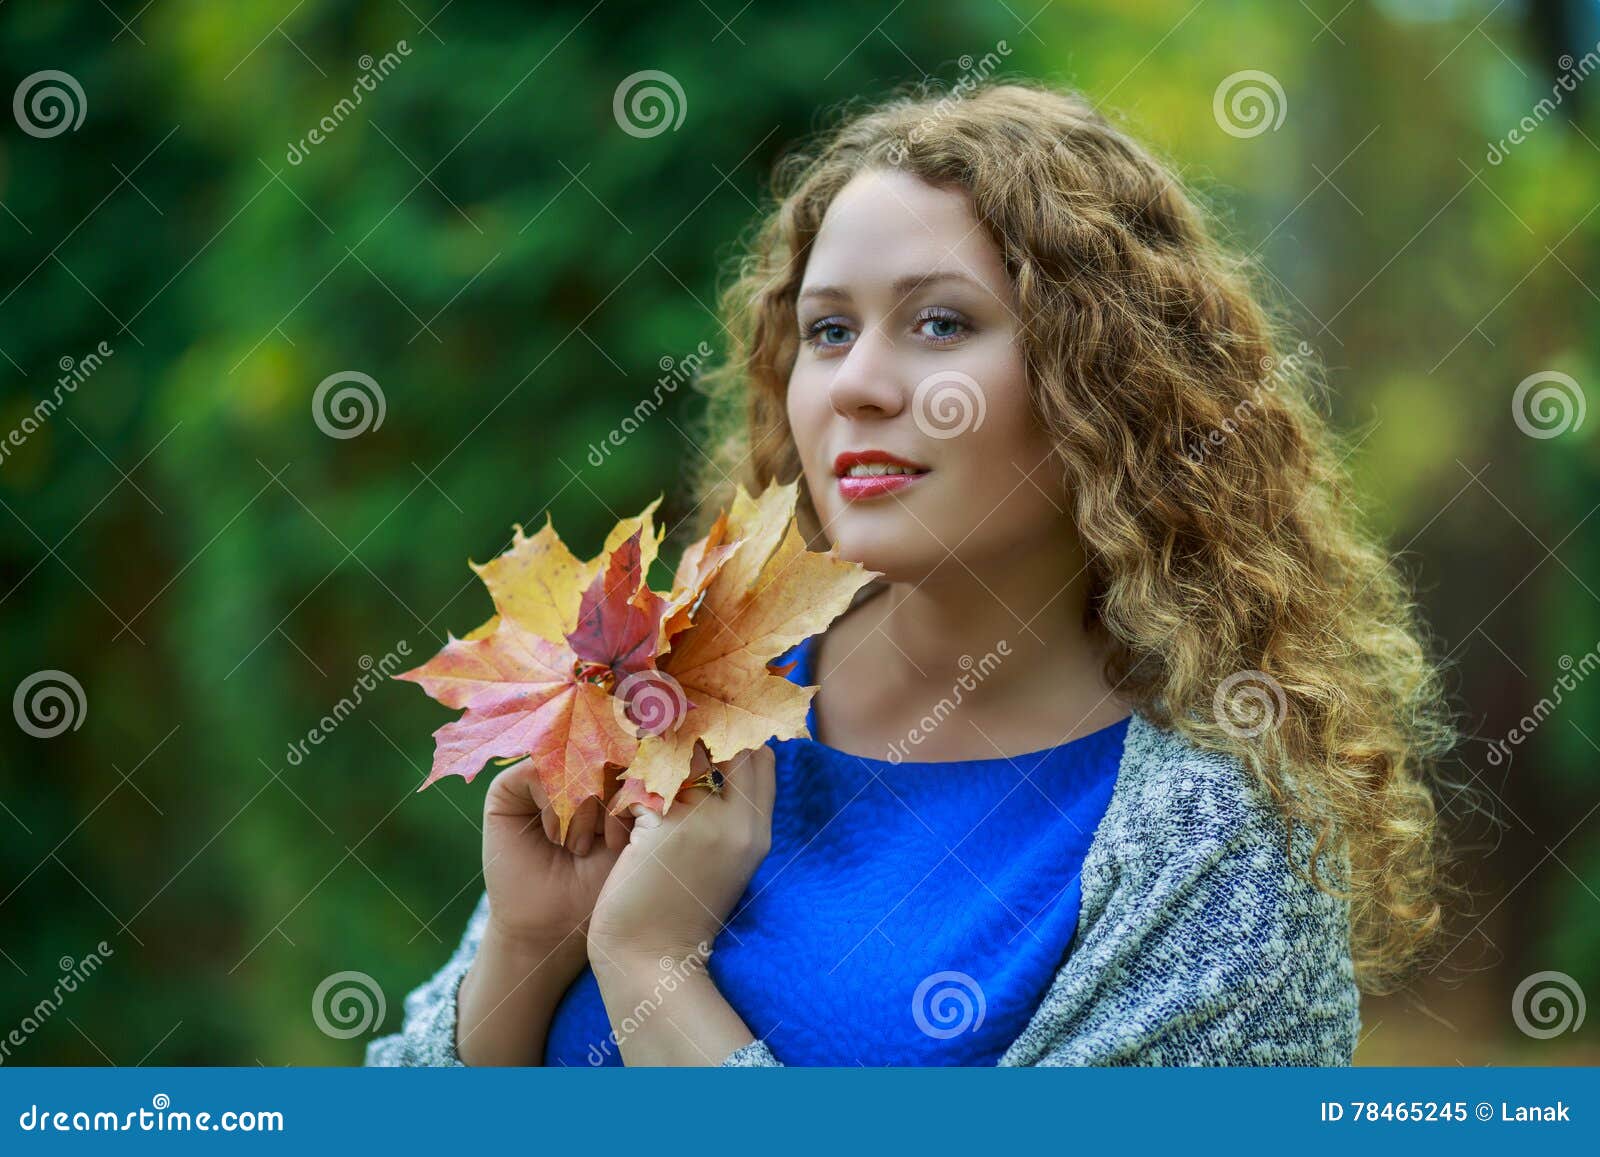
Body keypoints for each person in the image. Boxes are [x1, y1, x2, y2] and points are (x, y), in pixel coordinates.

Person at [365, 78, 1458, 1068]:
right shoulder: (682, 686)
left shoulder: (1215, 849)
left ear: (1106, 379)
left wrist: (651, 965)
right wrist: (531, 940)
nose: (860, 384)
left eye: (941, 323)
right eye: (828, 329)